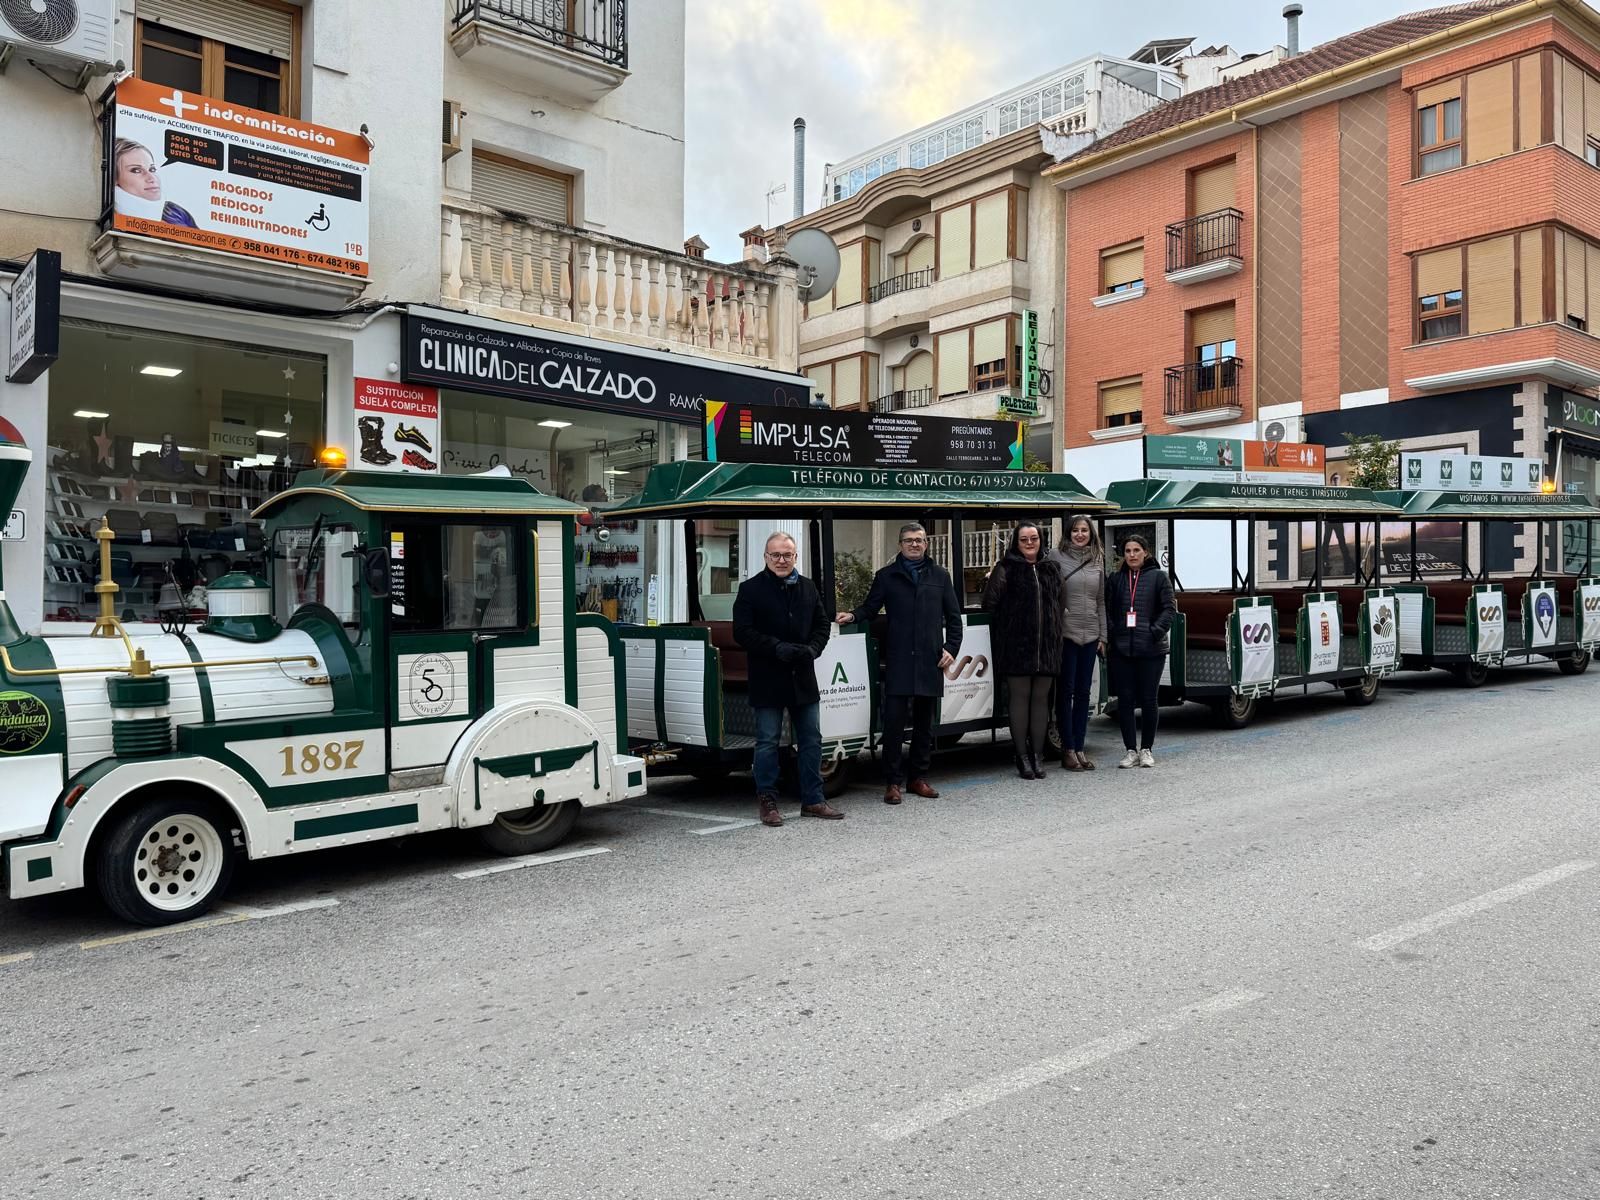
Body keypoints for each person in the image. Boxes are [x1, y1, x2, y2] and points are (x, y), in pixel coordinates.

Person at [837, 522, 962, 805]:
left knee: (924, 725)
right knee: (893, 725)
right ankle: (892, 782)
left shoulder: (940, 576)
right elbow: (870, 607)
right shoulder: (886, 576)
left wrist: (951, 649)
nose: (914, 544)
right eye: (908, 541)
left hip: (931, 661)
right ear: (900, 545)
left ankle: (918, 778)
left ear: (926, 544)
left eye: (919, 540)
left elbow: (954, 620)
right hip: (899, 660)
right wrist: (853, 616)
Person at [733, 531, 844, 827]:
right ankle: (768, 801)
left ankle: (814, 800)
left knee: (811, 740)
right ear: (766, 557)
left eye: (788, 555)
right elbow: (742, 632)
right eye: (776, 555)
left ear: (796, 557)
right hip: (768, 676)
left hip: (802, 676)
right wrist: (776, 648)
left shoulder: (808, 587)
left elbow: (822, 624)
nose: (782, 560)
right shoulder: (750, 589)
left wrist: (813, 650)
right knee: (768, 741)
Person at [981, 521, 1066, 779]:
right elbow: (989, 605)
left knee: (1041, 701)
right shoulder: (1006, 568)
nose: (1030, 543)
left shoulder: (1052, 568)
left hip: (1047, 646)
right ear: (1016, 543)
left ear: (1041, 540)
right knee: (1019, 700)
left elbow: (1060, 603)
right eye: (1024, 539)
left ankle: (1037, 756)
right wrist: (1011, 629)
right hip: (1017, 647)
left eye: (1034, 538)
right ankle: (1021, 756)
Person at [1105, 532, 1176, 769]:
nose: (1132, 555)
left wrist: (1154, 631)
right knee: (1125, 701)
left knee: (1148, 700)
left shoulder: (1159, 577)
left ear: (1146, 552)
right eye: (1127, 551)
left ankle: (1146, 749)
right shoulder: (1116, 579)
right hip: (1122, 649)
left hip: (1151, 650)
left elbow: (1169, 610)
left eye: (1136, 550)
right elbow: (1107, 610)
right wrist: (1114, 634)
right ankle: (1130, 750)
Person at [1051, 514, 1107, 771]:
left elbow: (1101, 601)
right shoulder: (1056, 557)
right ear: (1068, 533)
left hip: (1091, 635)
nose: (1080, 535)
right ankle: (1068, 749)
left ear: (1091, 533)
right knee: (1066, 692)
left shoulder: (1097, 559)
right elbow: (1049, 593)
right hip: (1067, 634)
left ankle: (1081, 747)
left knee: (1084, 694)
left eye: (1084, 530)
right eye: (1075, 531)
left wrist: (1103, 636)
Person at [111, 139, 198, 228]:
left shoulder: (175, 211)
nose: (152, 178)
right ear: (115, 179)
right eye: (136, 170)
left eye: (152, 169)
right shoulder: (108, 218)